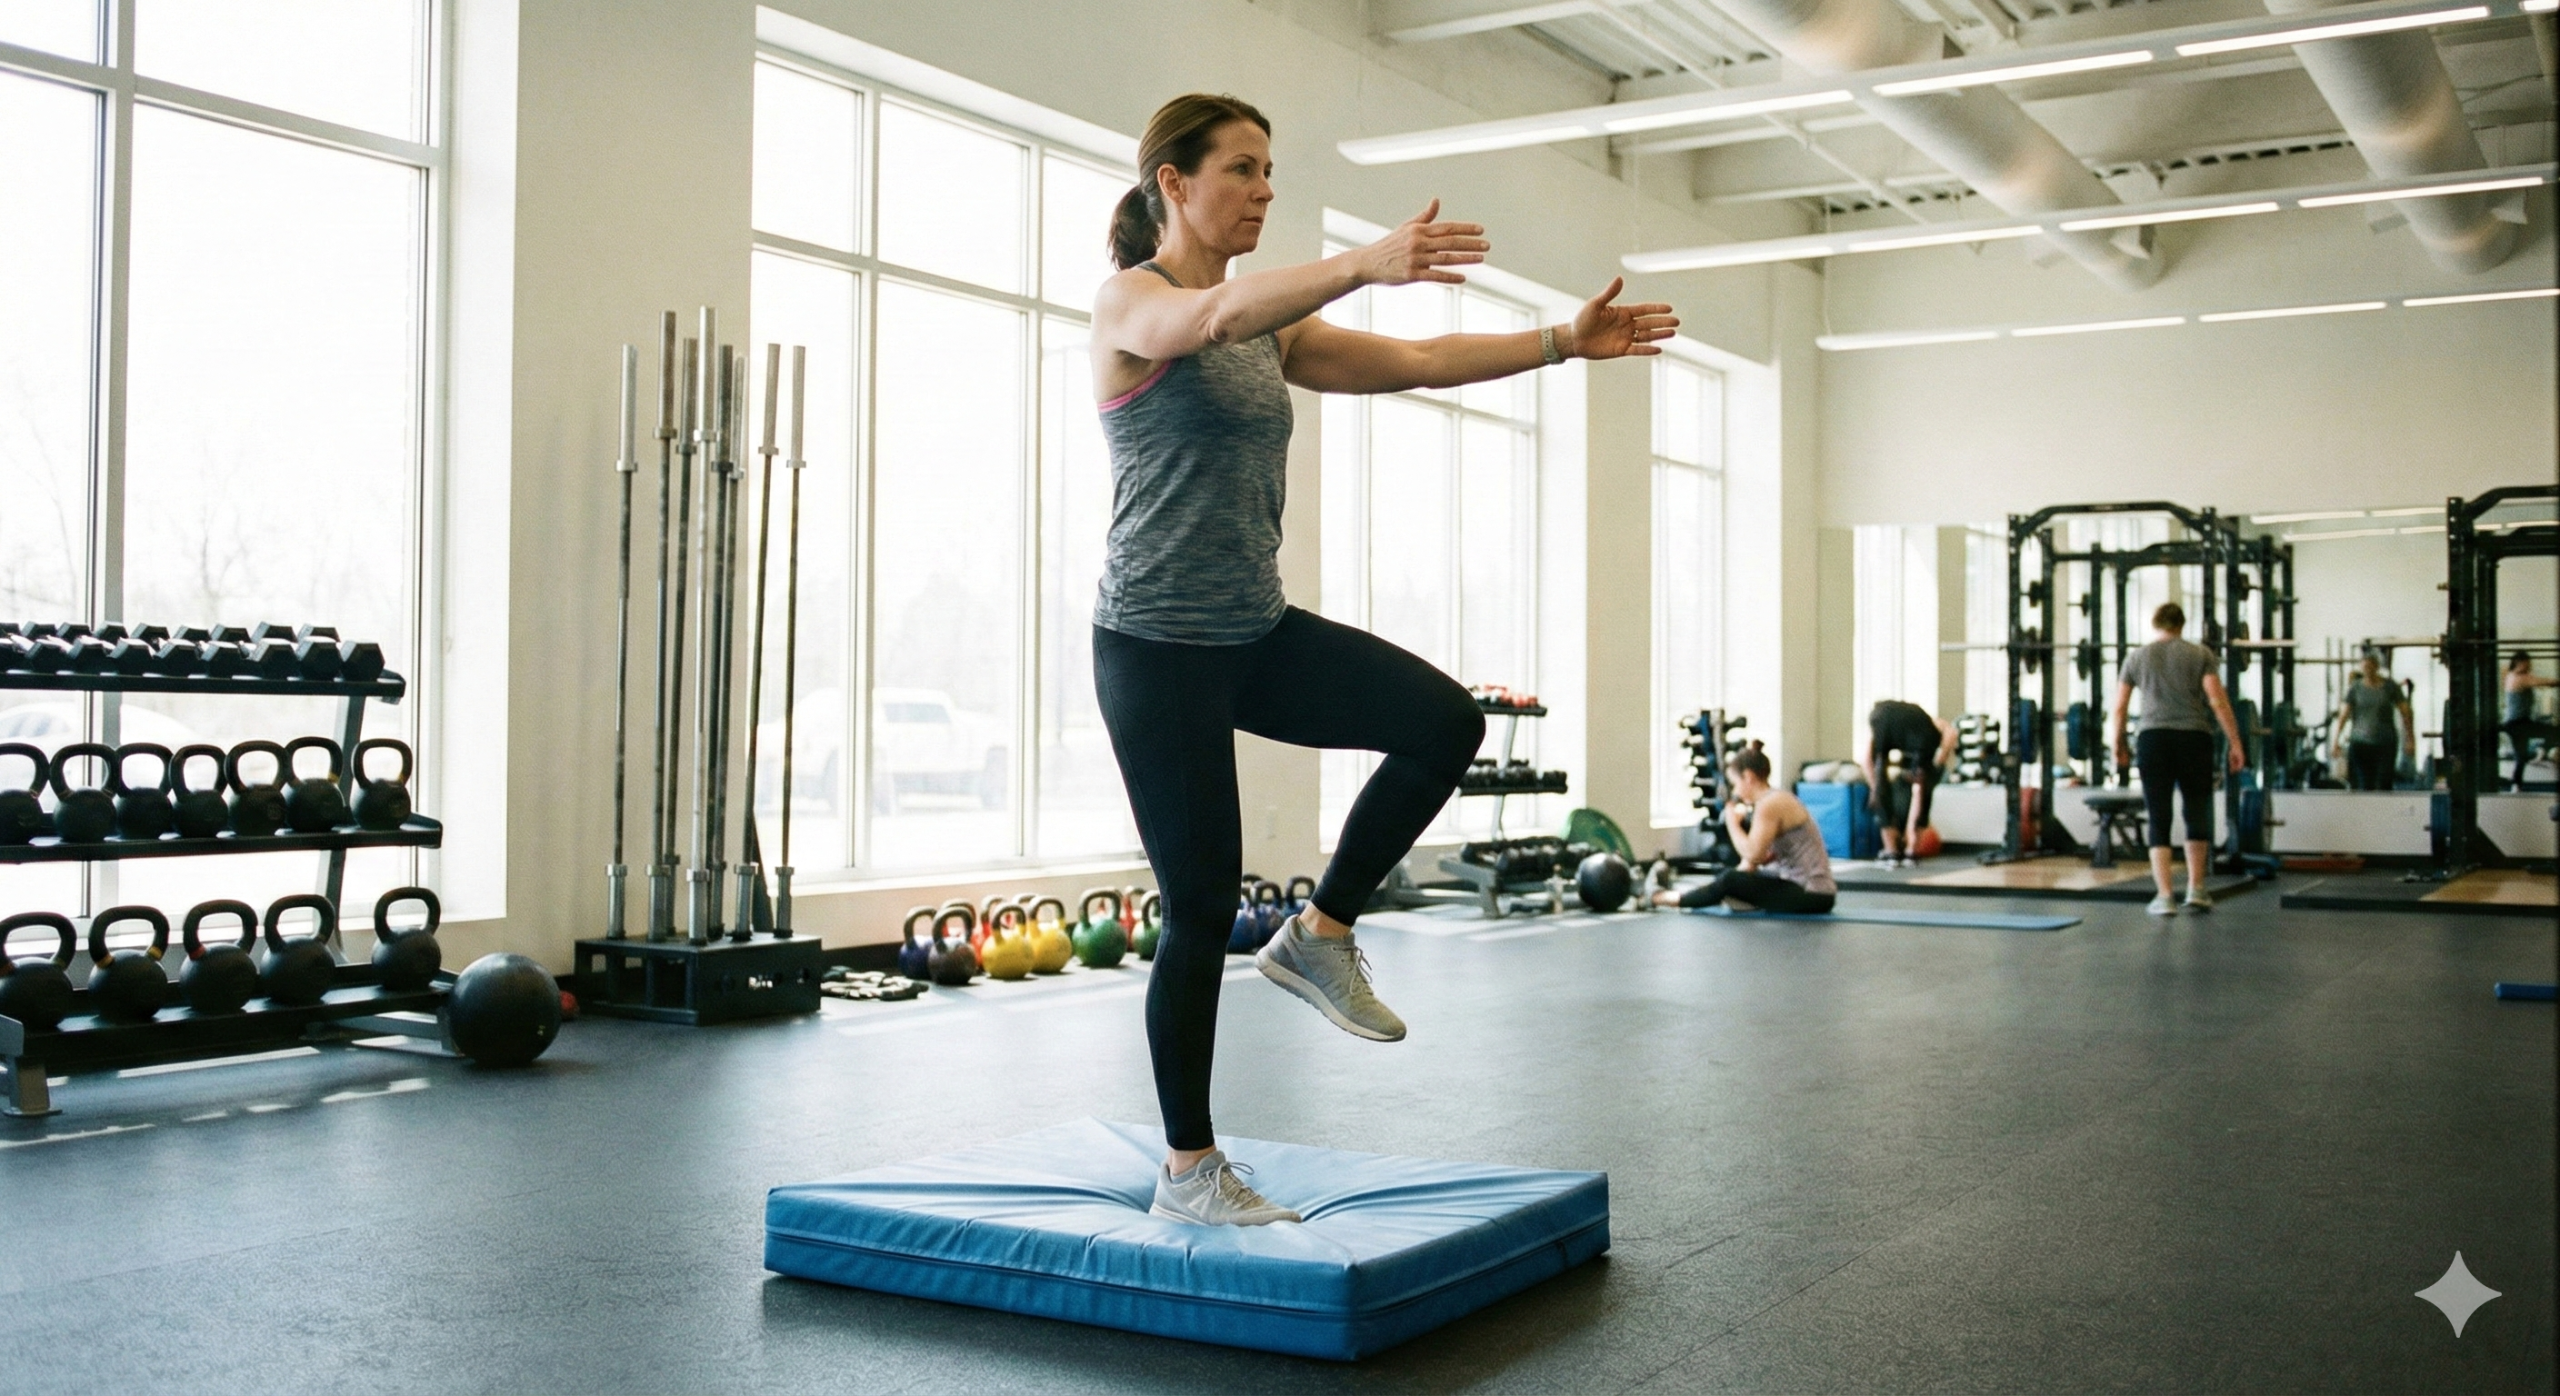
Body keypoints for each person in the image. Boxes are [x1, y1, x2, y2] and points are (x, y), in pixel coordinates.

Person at [1088, 94, 1678, 1227]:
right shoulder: (1133, 301)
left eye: (1272, 169)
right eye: (1244, 169)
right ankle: (1188, 1170)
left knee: (1445, 721)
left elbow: (1414, 357)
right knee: (1200, 904)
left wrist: (1561, 340)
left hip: (1250, 631)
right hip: (1154, 645)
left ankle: (1320, 934)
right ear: (1173, 181)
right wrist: (1363, 258)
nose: (1264, 189)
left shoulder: (1269, 322)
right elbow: (1195, 326)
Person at [2108, 602, 2247, 917]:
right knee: (2196, 810)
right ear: (2182, 625)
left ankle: (2165, 895)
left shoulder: (2136, 657)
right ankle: (2197, 890)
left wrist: (2118, 743)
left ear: (2155, 623)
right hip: (2194, 738)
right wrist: (2235, 742)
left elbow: (2119, 707)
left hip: (2153, 739)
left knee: (2159, 814)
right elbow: (2216, 700)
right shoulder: (2200, 655)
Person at [1645, 744, 1836, 913]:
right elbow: (1753, 862)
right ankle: (1682, 897)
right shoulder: (1775, 799)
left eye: (1736, 784)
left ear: (1748, 777)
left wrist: (1732, 822)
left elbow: (1753, 855)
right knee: (1730, 879)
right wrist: (1727, 884)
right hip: (1808, 891)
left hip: (1812, 893)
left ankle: (1659, 898)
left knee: (1729, 880)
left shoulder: (1770, 804)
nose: (1735, 792)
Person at [1860, 699, 1955, 867]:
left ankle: (1891, 852)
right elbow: (1952, 733)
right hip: (1919, 737)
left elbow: (1867, 761)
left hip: (1884, 718)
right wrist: (1941, 758)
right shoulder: (1930, 723)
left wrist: (1876, 790)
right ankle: (1911, 851)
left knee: (1886, 787)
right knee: (1921, 792)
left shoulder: (1884, 720)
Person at [2328, 651, 2413, 791]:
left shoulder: (2390, 687)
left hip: (2385, 744)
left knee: (2383, 785)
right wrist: (2335, 741)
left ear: (2377, 666)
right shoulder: (2355, 688)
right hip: (2360, 745)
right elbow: (2343, 715)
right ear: (2361, 667)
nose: (2368, 669)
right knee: (2362, 786)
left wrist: (2410, 739)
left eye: (2371, 666)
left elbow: (2406, 713)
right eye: (2365, 666)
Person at [2500, 650, 2558, 789]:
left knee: (2521, 756)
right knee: (2555, 731)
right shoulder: (2519, 678)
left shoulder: (2511, 676)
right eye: (2527, 663)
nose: (2529, 665)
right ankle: (2542, 748)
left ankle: (2516, 785)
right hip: (2519, 723)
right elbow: (2545, 682)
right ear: (2520, 663)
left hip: (2513, 723)